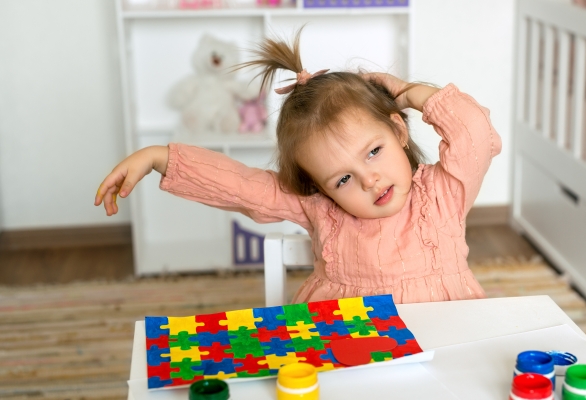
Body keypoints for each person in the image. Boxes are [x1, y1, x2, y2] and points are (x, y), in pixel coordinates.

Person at [94, 31, 502, 304]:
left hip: (449, 349)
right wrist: (159, 158)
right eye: (342, 179)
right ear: (318, 187)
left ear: (398, 130)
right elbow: (243, 187)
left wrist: (410, 92)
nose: (368, 179)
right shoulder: (319, 207)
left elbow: (475, 133)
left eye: (373, 151)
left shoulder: (443, 194)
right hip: (344, 358)